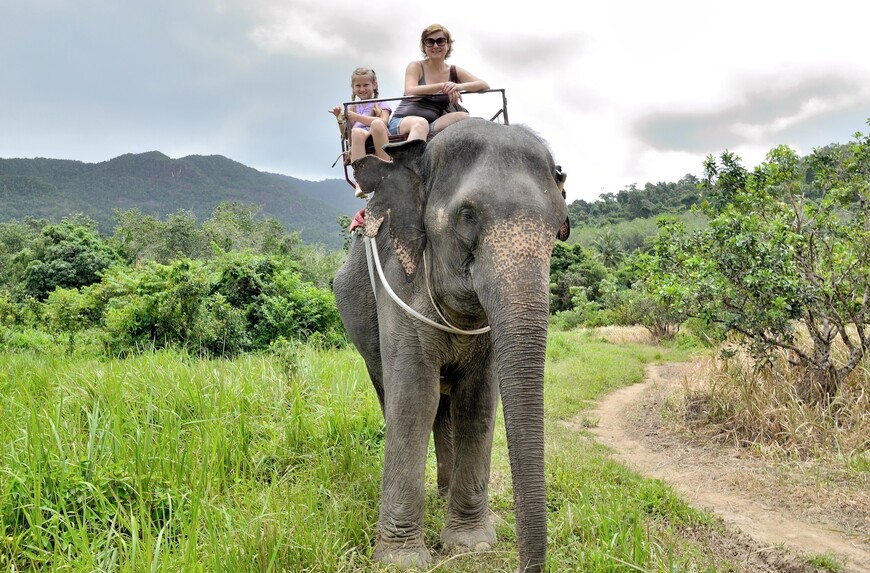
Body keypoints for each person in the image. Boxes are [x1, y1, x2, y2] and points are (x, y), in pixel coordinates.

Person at [388, 24, 489, 142]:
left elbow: (484, 85)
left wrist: (458, 86)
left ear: (448, 45)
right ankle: (411, 159)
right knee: (421, 124)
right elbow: (410, 90)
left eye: (440, 41)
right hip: (402, 121)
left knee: (463, 117)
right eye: (430, 42)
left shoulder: (454, 71)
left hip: (431, 124)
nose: (435, 46)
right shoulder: (416, 66)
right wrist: (443, 86)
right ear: (424, 46)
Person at [330, 68, 392, 198]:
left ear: (374, 85)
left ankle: (385, 168)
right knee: (356, 132)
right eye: (358, 85)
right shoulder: (352, 107)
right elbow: (346, 134)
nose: (362, 89)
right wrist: (339, 119)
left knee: (376, 123)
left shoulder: (380, 103)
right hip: (361, 136)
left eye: (366, 85)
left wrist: (357, 117)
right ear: (353, 88)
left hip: (377, 132)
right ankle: (360, 180)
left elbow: (384, 121)